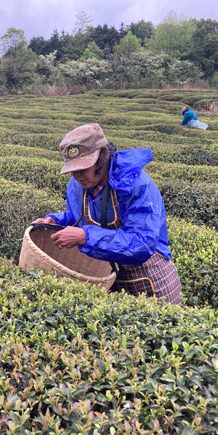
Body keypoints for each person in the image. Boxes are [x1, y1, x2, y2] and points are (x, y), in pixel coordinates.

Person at [33, 123, 182, 304]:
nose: (77, 176)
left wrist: (86, 237)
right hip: (112, 280)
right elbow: (81, 217)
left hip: (150, 281)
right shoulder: (78, 185)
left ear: (103, 156)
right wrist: (55, 221)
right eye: (73, 170)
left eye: (82, 169)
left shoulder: (135, 184)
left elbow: (142, 243)